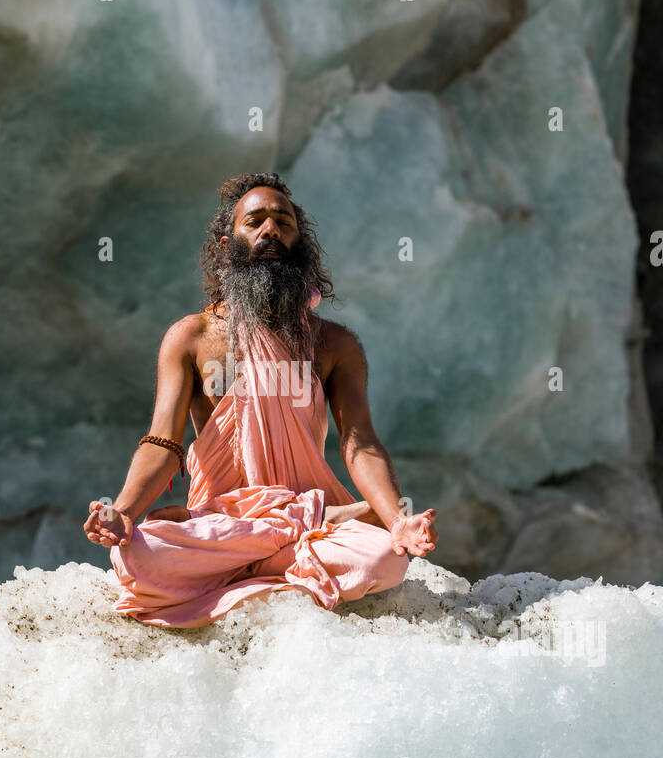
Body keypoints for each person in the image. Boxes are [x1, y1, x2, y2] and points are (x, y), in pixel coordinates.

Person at [84, 172, 438, 627]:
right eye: (255, 221)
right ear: (225, 244)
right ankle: (284, 551)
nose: (270, 229)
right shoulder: (191, 337)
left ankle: (243, 565)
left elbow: (360, 442)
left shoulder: (335, 345)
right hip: (228, 519)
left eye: (283, 222)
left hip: (282, 516)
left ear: (301, 245)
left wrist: (396, 520)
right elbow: (162, 443)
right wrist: (125, 511)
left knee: (385, 559)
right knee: (137, 557)